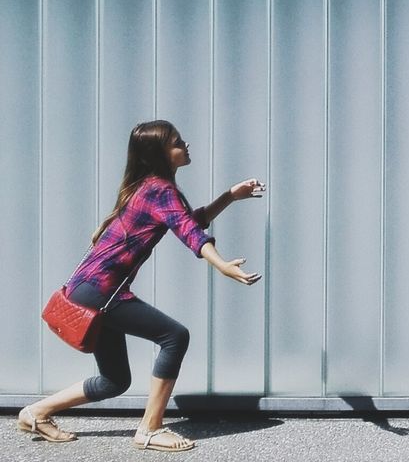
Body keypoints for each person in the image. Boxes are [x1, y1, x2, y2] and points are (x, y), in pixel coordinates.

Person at [18, 120, 264, 451]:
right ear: (159, 154)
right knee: (175, 336)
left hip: (89, 289)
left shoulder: (151, 188)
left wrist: (230, 197)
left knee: (114, 381)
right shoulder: (159, 190)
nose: (185, 145)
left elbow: (189, 221)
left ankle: (36, 412)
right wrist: (220, 264)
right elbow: (190, 232)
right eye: (178, 142)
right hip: (102, 290)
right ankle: (149, 429)